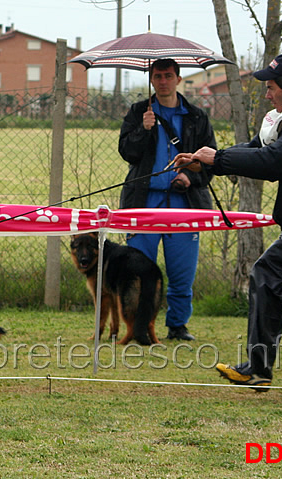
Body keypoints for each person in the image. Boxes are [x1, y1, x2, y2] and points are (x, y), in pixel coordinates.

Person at [176, 53, 282, 390]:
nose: (267, 94)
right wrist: (204, 163)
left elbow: (274, 161)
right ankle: (258, 369)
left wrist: (217, 158)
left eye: (271, 88)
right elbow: (256, 148)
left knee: (267, 273)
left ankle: (258, 368)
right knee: (268, 273)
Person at [118, 58, 217, 341]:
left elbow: (211, 160)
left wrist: (191, 178)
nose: (163, 81)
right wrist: (143, 129)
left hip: (184, 205)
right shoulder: (139, 112)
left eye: (168, 76)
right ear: (151, 79)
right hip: (143, 204)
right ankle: (139, 327)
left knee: (181, 273)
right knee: (138, 273)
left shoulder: (197, 116)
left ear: (178, 78)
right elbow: (127, 152)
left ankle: (177, 325)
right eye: (158, 76)